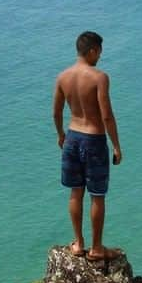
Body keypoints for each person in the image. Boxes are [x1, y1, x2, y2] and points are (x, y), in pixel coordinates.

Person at [52, 30, 123, 261]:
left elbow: (56, 111)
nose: (100, 57)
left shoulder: (63, 77)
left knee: (75, 192)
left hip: (72, 137)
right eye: (99, 52)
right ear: (92, 50)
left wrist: (61, 134)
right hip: (93, 140)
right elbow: (107, 116)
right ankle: (97, 248)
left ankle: (79, 244)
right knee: (97, 195)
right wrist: (116, 146)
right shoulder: (99, 77)